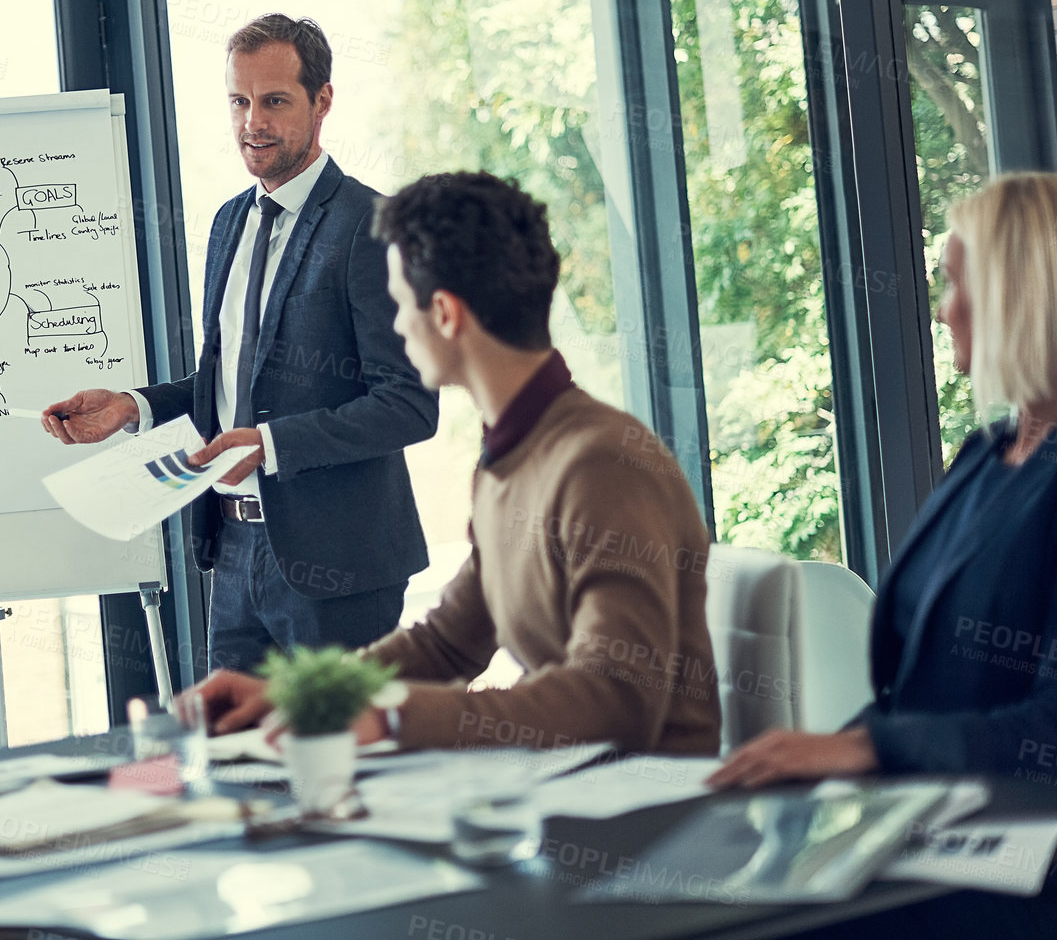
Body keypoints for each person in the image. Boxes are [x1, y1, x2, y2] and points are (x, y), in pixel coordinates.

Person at [709, 173, 1057, 939]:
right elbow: (917, 689)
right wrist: (815, 758)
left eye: (955, 284)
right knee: (710, 882)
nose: (942, 308)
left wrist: (864, 746)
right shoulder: (988, 452)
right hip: (932, 817)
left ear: (1018, 298)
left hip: (1039, 857)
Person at [194, 171, 720, 754]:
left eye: (398, 305)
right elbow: (449, 643)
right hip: (569, 794)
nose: (394, 325)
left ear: (445, 314)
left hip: (654, 817)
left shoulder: (601, 464)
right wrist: (300, 693)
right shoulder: (513, 457)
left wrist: (394, 719)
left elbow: (615, 700)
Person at [42, 14, 437, 673]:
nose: (253, 120)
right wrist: (132, 407)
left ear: (322, 101)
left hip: (338, 570)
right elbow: (226, 385)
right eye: (239, 100)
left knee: (343, 769)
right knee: (234, 761)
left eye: (275, 100)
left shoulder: (371, 226)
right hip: (230, 551)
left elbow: (407, 405)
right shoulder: (230, 221)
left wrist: (270, 444)